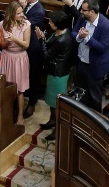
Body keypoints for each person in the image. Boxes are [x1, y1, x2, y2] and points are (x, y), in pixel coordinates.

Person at [71, 0, 109, 111]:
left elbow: (102, 48)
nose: (80, 12)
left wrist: (87, 38)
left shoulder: (106, 26)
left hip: (95, 66)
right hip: (82, 63)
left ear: (92, 12)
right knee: (81, 93)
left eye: (83, 10)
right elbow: (73, 33)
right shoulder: (83, 18)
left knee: (95, 97)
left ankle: (95, 124)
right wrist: (79, 36)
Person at [41, 10, 73, 138]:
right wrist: (44, 38)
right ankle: (52, 120)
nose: (49, 23)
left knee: (57, 103)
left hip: (58, 74)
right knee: (51, 100)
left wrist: (41, 40)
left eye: (51, 22)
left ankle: (58, 129)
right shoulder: (61, 33)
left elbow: (47, 55)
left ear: (57, 25)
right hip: (54, 71)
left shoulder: (61, 40)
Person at [0, 1, 32, 118]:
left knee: (20, 90)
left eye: (22, 12)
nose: (22, 15)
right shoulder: (3, 24)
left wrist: (14, 38)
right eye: (18, 13)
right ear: (11, 14)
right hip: (7, 57)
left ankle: (20, 116)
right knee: (6, 87)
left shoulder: (26, 24)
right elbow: (2, 45)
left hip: (20, 58)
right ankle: (7, 115)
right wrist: (8, 41)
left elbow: (26, 45)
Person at [19, 0, 48, 118]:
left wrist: (23, 9)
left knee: (33, 76)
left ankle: (32, 102)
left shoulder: (39, 11)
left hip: (33, 48)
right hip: (22, 45)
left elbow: (26, 25)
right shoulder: (26, 5)